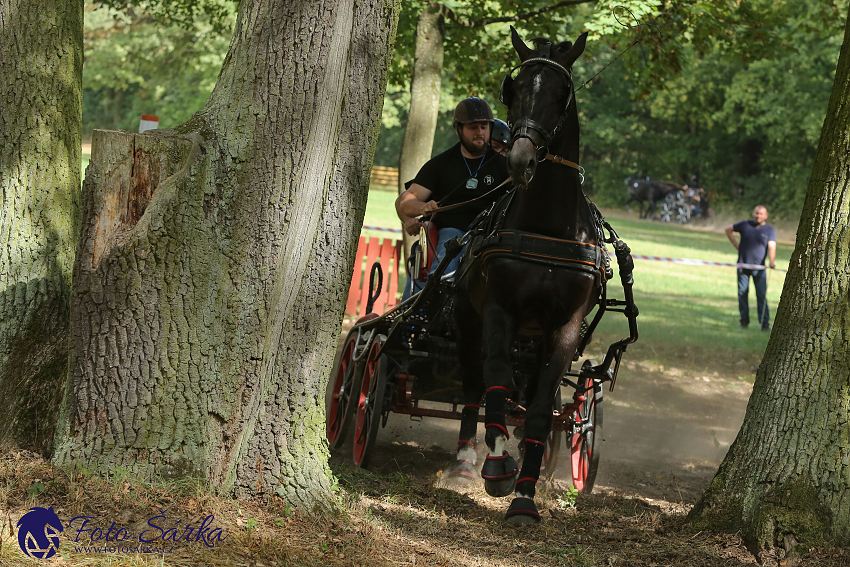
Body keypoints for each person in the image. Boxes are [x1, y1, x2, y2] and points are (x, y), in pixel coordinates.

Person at [396, 97, 509, 298]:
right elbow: (406, 203)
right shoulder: (441, 164)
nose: (479, 132)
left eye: (484, 127)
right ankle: (432, 299)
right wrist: (423, 207)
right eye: (473, 127)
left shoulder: (505, 167)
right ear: (459, 129)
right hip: (452, 235)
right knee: (451, 242)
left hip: (493, 238)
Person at [725, 205, 777, 331]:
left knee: (761, 296)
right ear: (754, 214)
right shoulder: (745, 225)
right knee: (742, 294)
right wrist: (735, 244)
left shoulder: (769, 230)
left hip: (759, 269)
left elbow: (772, 245)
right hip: (742, 265)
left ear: (766, 216)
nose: (758, 216)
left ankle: (765, 325)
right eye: (757, 213)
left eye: (761, 214)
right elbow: (728, 230)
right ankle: (744, 322)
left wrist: (771, 261)